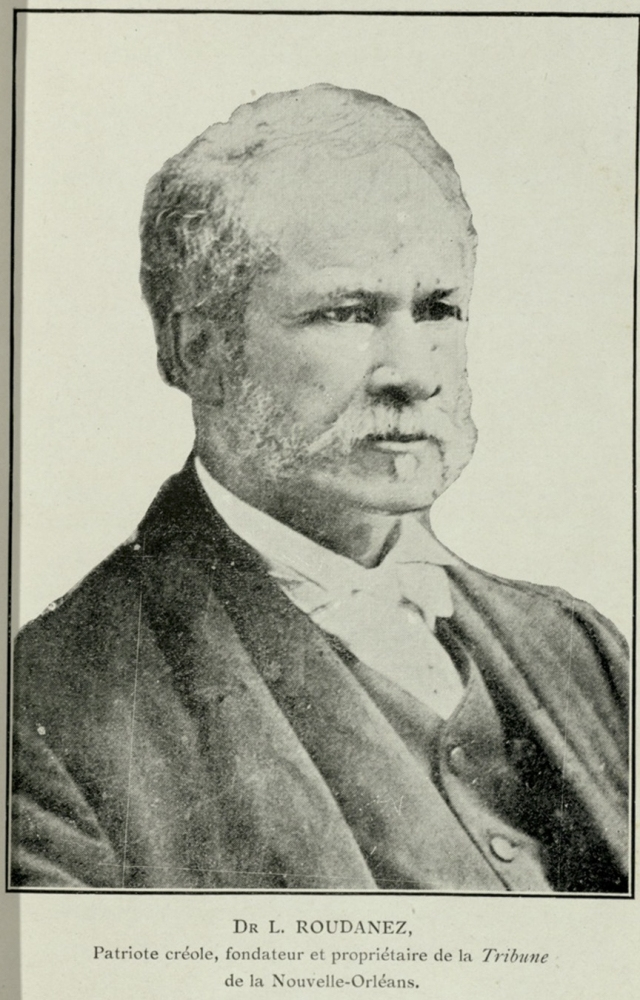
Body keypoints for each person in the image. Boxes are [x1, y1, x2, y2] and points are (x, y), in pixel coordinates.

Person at [11, 84, 628, 892]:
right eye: (348, 314)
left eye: (438, 310)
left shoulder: (583, 650)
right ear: (200, 351)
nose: (414, 374)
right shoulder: (50, 708)